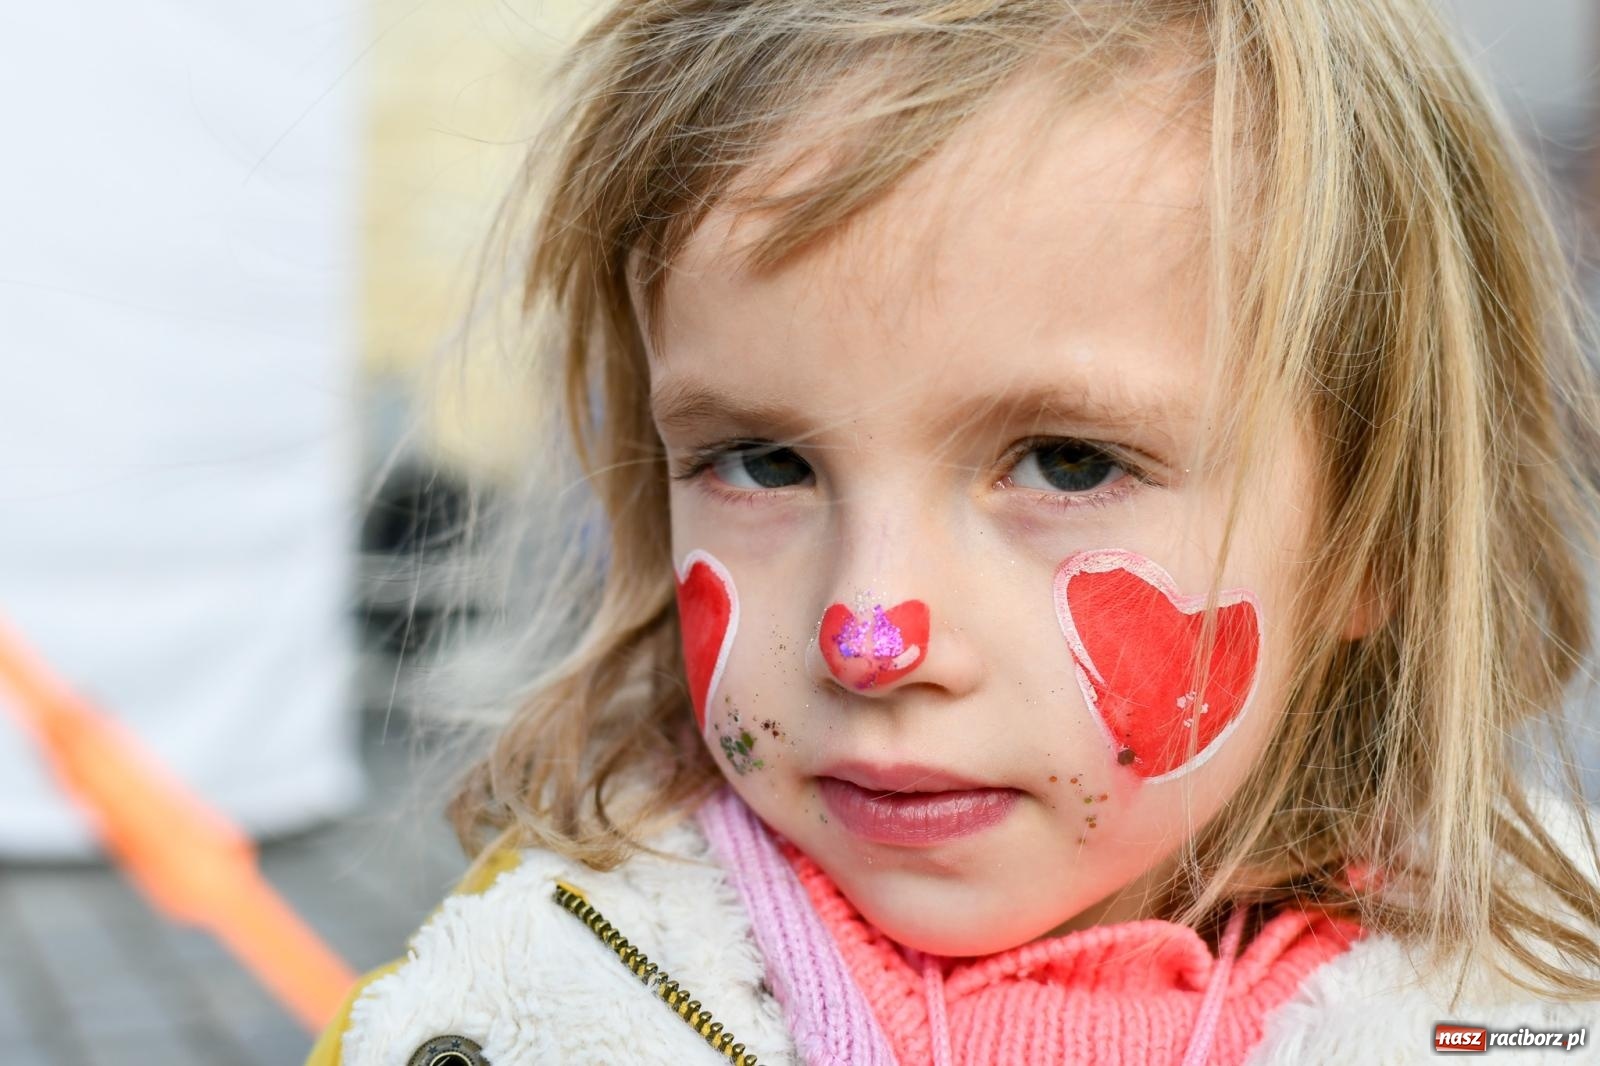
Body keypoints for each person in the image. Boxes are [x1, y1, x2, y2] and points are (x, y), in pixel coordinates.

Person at [310, 1, 1600, 1062]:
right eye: (763, 462)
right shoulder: (541, 1000)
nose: (869, 636)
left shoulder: (1524, 1004)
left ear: (1375, 528)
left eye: (1067, 461)